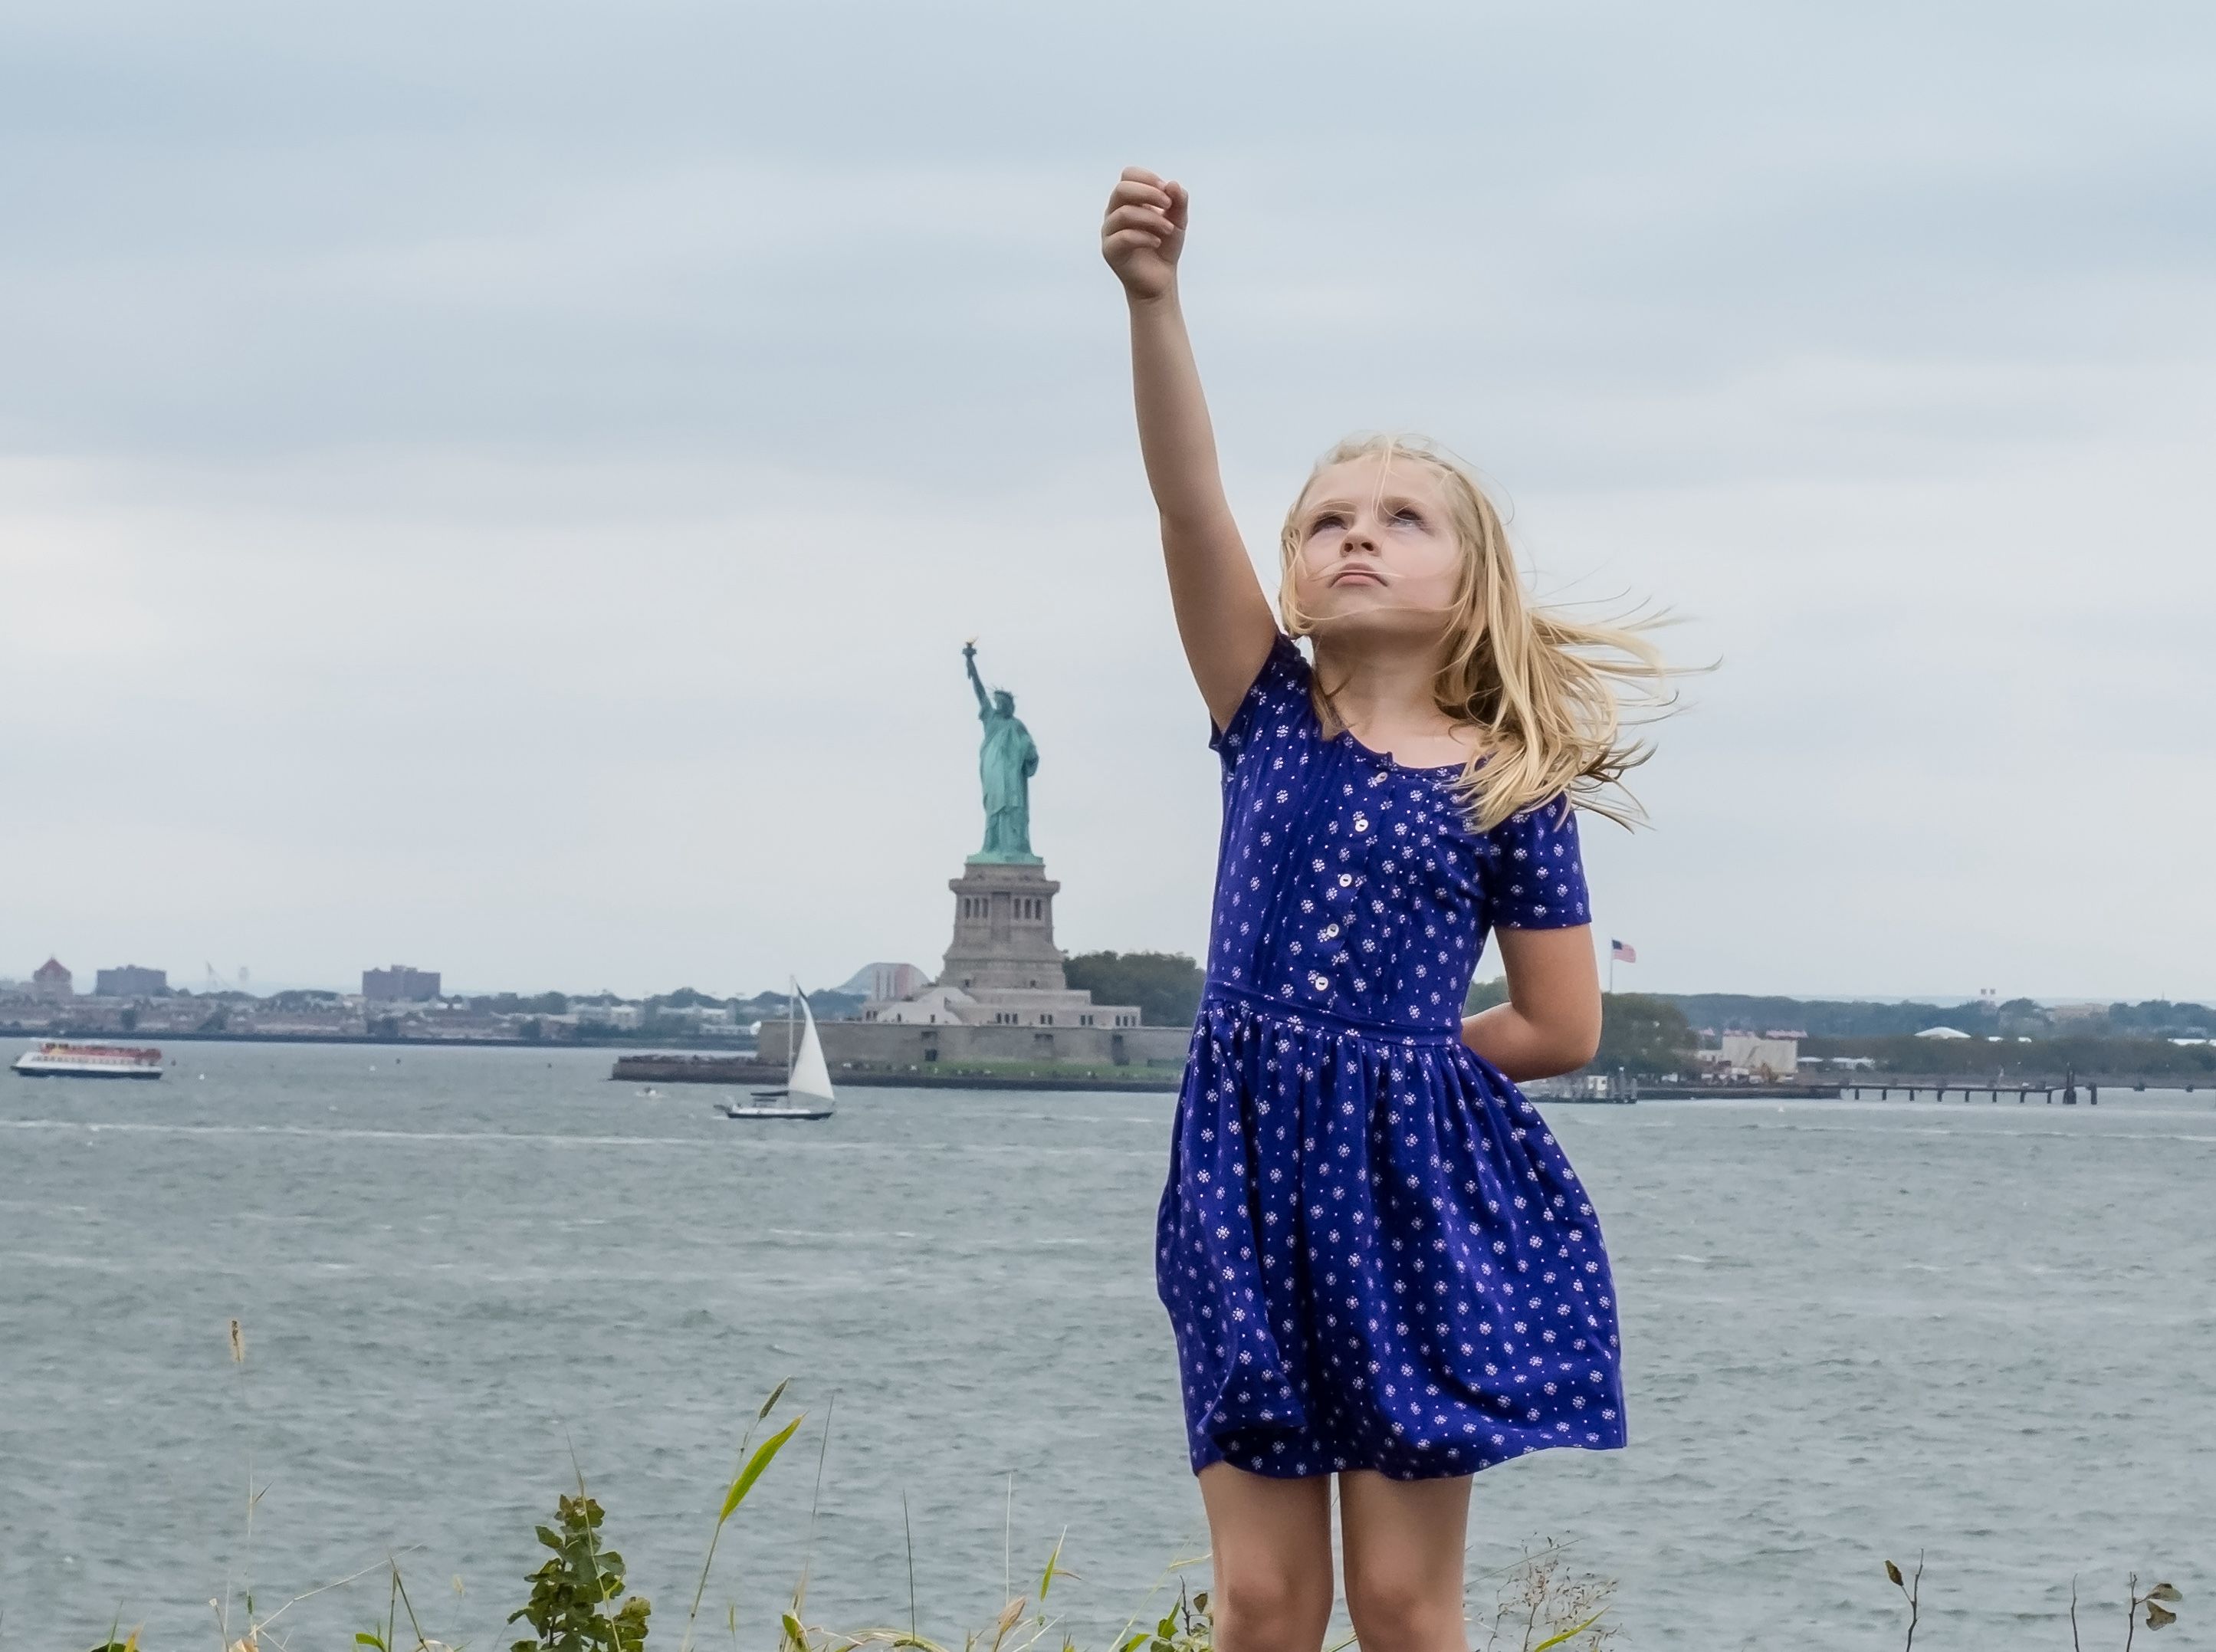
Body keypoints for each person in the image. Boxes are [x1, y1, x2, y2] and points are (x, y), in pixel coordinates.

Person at [1101, 166, 1676, 1652]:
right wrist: (1154, 303)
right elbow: (1184, 501)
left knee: (1408, 1602)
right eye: (1329, 521)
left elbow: (1563, 1024)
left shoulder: (1512, 783)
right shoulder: (1265, 712)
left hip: (1407, 1200)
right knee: (1265, 1596)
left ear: (1469, 578)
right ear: (1291, 575)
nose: (1358, 536)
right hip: (1242, 1180)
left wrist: (1401, 1073)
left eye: (1402, 519)